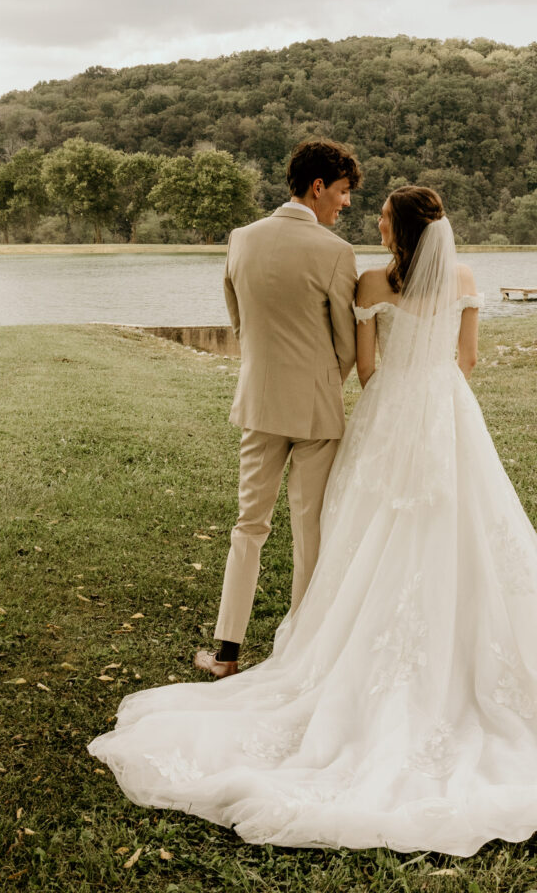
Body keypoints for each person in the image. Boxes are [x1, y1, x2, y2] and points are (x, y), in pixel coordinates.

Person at [89, 186, 537, 856]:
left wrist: (388, 393)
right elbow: (466, 363)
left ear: (397, 230)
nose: (371, 220)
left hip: (388, 415)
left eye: (380, 215)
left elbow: (369, 367)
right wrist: (432, 387)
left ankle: (323, 649)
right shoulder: (463, 278)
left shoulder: (370, 278)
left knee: (365, 531)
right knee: (465, 529)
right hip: (446, 414)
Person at [192, 138, 360, 679]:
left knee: (249, 526)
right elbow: (348, 345)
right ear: (318, 187)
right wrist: (319, 382)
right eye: (342, 192)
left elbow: (239, 324)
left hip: (258, 404)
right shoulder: (336, 252)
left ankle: (225, 652)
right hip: (315, 410)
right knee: (309, 528)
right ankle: (301, 656)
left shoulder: (241, 240)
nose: (345, 203)